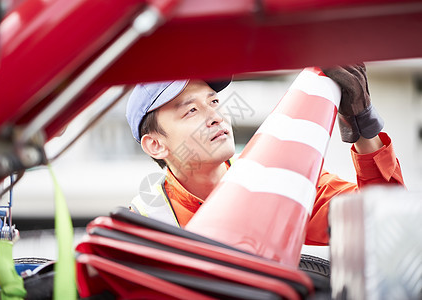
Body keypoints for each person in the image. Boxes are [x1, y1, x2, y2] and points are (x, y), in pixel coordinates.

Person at [125, 65, 404, 246]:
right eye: (191, 111)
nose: (215, 117)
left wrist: (363, 125)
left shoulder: (278, 181)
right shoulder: (140, 229)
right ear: (156, 145)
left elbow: (385, 225)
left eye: (213, 102)